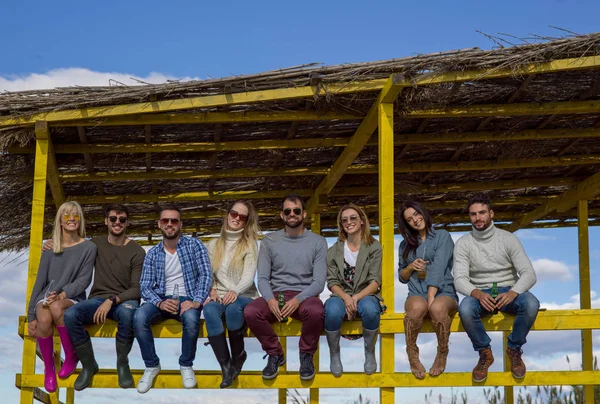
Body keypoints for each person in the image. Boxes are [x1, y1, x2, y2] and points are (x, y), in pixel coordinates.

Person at [454, 193, 539, 382]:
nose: (478, 218)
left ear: (491, 213)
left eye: (482, 213)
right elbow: (459, 279)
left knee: (531, 303)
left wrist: (513, 292)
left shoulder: (508, 239)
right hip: (479, 292)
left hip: (509, 289)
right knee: (465, 308)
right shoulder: (463, 243)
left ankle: (514, 349)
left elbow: (529, 274)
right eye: (473, 214)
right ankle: (485, 352)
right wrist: (477, 294)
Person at [60, 204, 145, 390]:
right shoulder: (95, 244)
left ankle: (122, 363)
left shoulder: (138, 251)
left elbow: (136, 289)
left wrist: (112, 300)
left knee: (127, 313)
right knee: (70, 315)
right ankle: (89, 365)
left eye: (122, 219)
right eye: (113, 219)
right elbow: (70, 245)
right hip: (97, 299)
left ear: (127, 223)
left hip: (124, 300)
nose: (117, 222)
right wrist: (52, 243)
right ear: (106, 221)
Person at [244, 194, 327, 381]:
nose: (292, 214)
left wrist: (298, 299)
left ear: (304, 214)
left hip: (303, 295)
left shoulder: (318, 242)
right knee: (250, 312)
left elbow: (319, 282)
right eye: (287, 211)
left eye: (296, 210)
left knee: (316, 311)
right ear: (281, 215)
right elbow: (263, 278)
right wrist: (270, 299)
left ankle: (306, 356)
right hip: (276, 294)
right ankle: (275, 353)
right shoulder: (269, 241)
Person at [133, 204, 212, 393]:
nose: (170, 224)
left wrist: (196, 300)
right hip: (161, 299)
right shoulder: (153, 253)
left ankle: (186, 364)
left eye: (174, 221)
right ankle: (151, 365)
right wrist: (159, 302)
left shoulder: (194, 245)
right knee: (139, 317)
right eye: (165, 221)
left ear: (180, 224)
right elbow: (145, 286)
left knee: (192, 319)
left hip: (188, 298)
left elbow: (206, 275)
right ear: (159, 224)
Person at [27, 201, 96, 393]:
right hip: (47, 295)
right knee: (43, 315)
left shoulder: (89, 247)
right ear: (60, 221)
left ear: (80, 219)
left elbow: (84, 281)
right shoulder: (50, 248)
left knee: (57, 307)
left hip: (72, 297)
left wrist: (63, 294)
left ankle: (71, 355)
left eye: (76, 215)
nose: (72, 218)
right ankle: (49, 368)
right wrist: (30, 315)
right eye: (67, 215)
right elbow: (40, 282)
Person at [397, 200, 458, 379]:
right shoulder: (404, 245)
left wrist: (431, 296)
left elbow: (439, 268)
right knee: (415, 309)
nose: (415, 220)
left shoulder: (442, 236)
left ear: (423, 212)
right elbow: (402, 276)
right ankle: (412, 355)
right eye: (409, 219)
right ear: (406, 224)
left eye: (416, 214)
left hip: (443, 290)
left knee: (437, 308)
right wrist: (411, 267)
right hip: (417, 291)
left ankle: (442, 353)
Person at [203, 200, 260, 388]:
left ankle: (239, 355)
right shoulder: (212, 244)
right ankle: (226, 366)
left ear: (246, 221)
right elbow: (207, 274)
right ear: (227, 214)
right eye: (234, 213)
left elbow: (249, 276)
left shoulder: (249, 244)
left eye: (242, 217)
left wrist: (235, 291)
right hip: (219, 294)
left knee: (233, 309)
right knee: (210, 310)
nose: (237, 218)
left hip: (244, 294)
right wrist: (211, 290)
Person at [324, 203, 382, 377]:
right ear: (341, 225)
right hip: (341, 295)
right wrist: (346, 298)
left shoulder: (374, 246)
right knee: (332, 310)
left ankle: (369, 351)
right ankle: (334, 354)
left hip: (366, 294)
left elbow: (375, 281)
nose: (349, 222)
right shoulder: (333, 251)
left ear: (362, 221)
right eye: (344, 220)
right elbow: (332, 282)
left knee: (371, 309)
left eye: (353, 218)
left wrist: (355, 298)